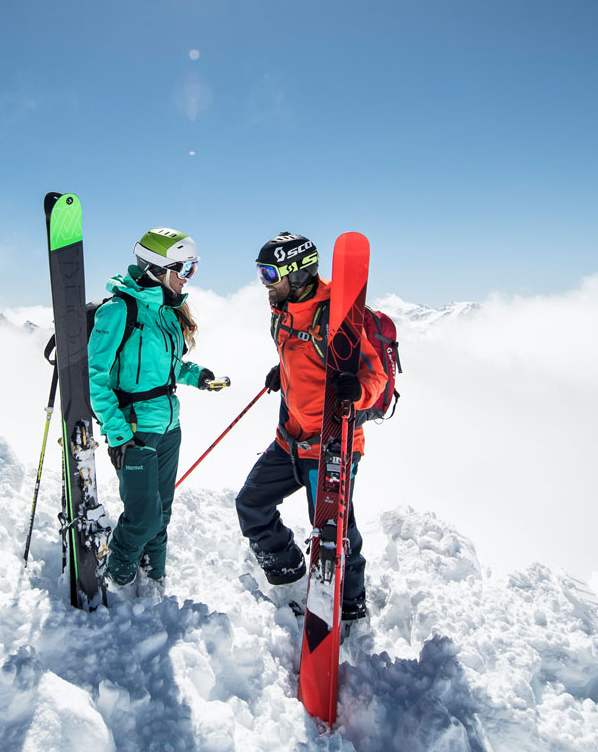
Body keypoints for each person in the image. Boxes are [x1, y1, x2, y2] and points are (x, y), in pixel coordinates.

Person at [235, 232, 387, 621]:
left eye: (270, 273)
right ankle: (290, 576)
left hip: (331, 447)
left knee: (336, 537)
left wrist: (358, 392)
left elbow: (376, 377)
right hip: (290, 441)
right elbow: (302, 359)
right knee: (251, 504)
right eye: (261, 273)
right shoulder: (282, 312)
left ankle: (350, 610)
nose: (264, 283)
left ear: (298, 274)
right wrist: (283, 374)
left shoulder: (336, 315)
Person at [89, 227, 223, 598]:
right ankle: (115, 580)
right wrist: (118, 433)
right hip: (135, 430)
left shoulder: (166, 312)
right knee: (142, 516)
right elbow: (94, 377)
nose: (188, 278)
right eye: (186, 269)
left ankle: (153, 586)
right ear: (159, 269)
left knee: (160, 515)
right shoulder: (119, 311)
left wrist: (198, 376)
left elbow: (169, 367)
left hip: (169, 427)